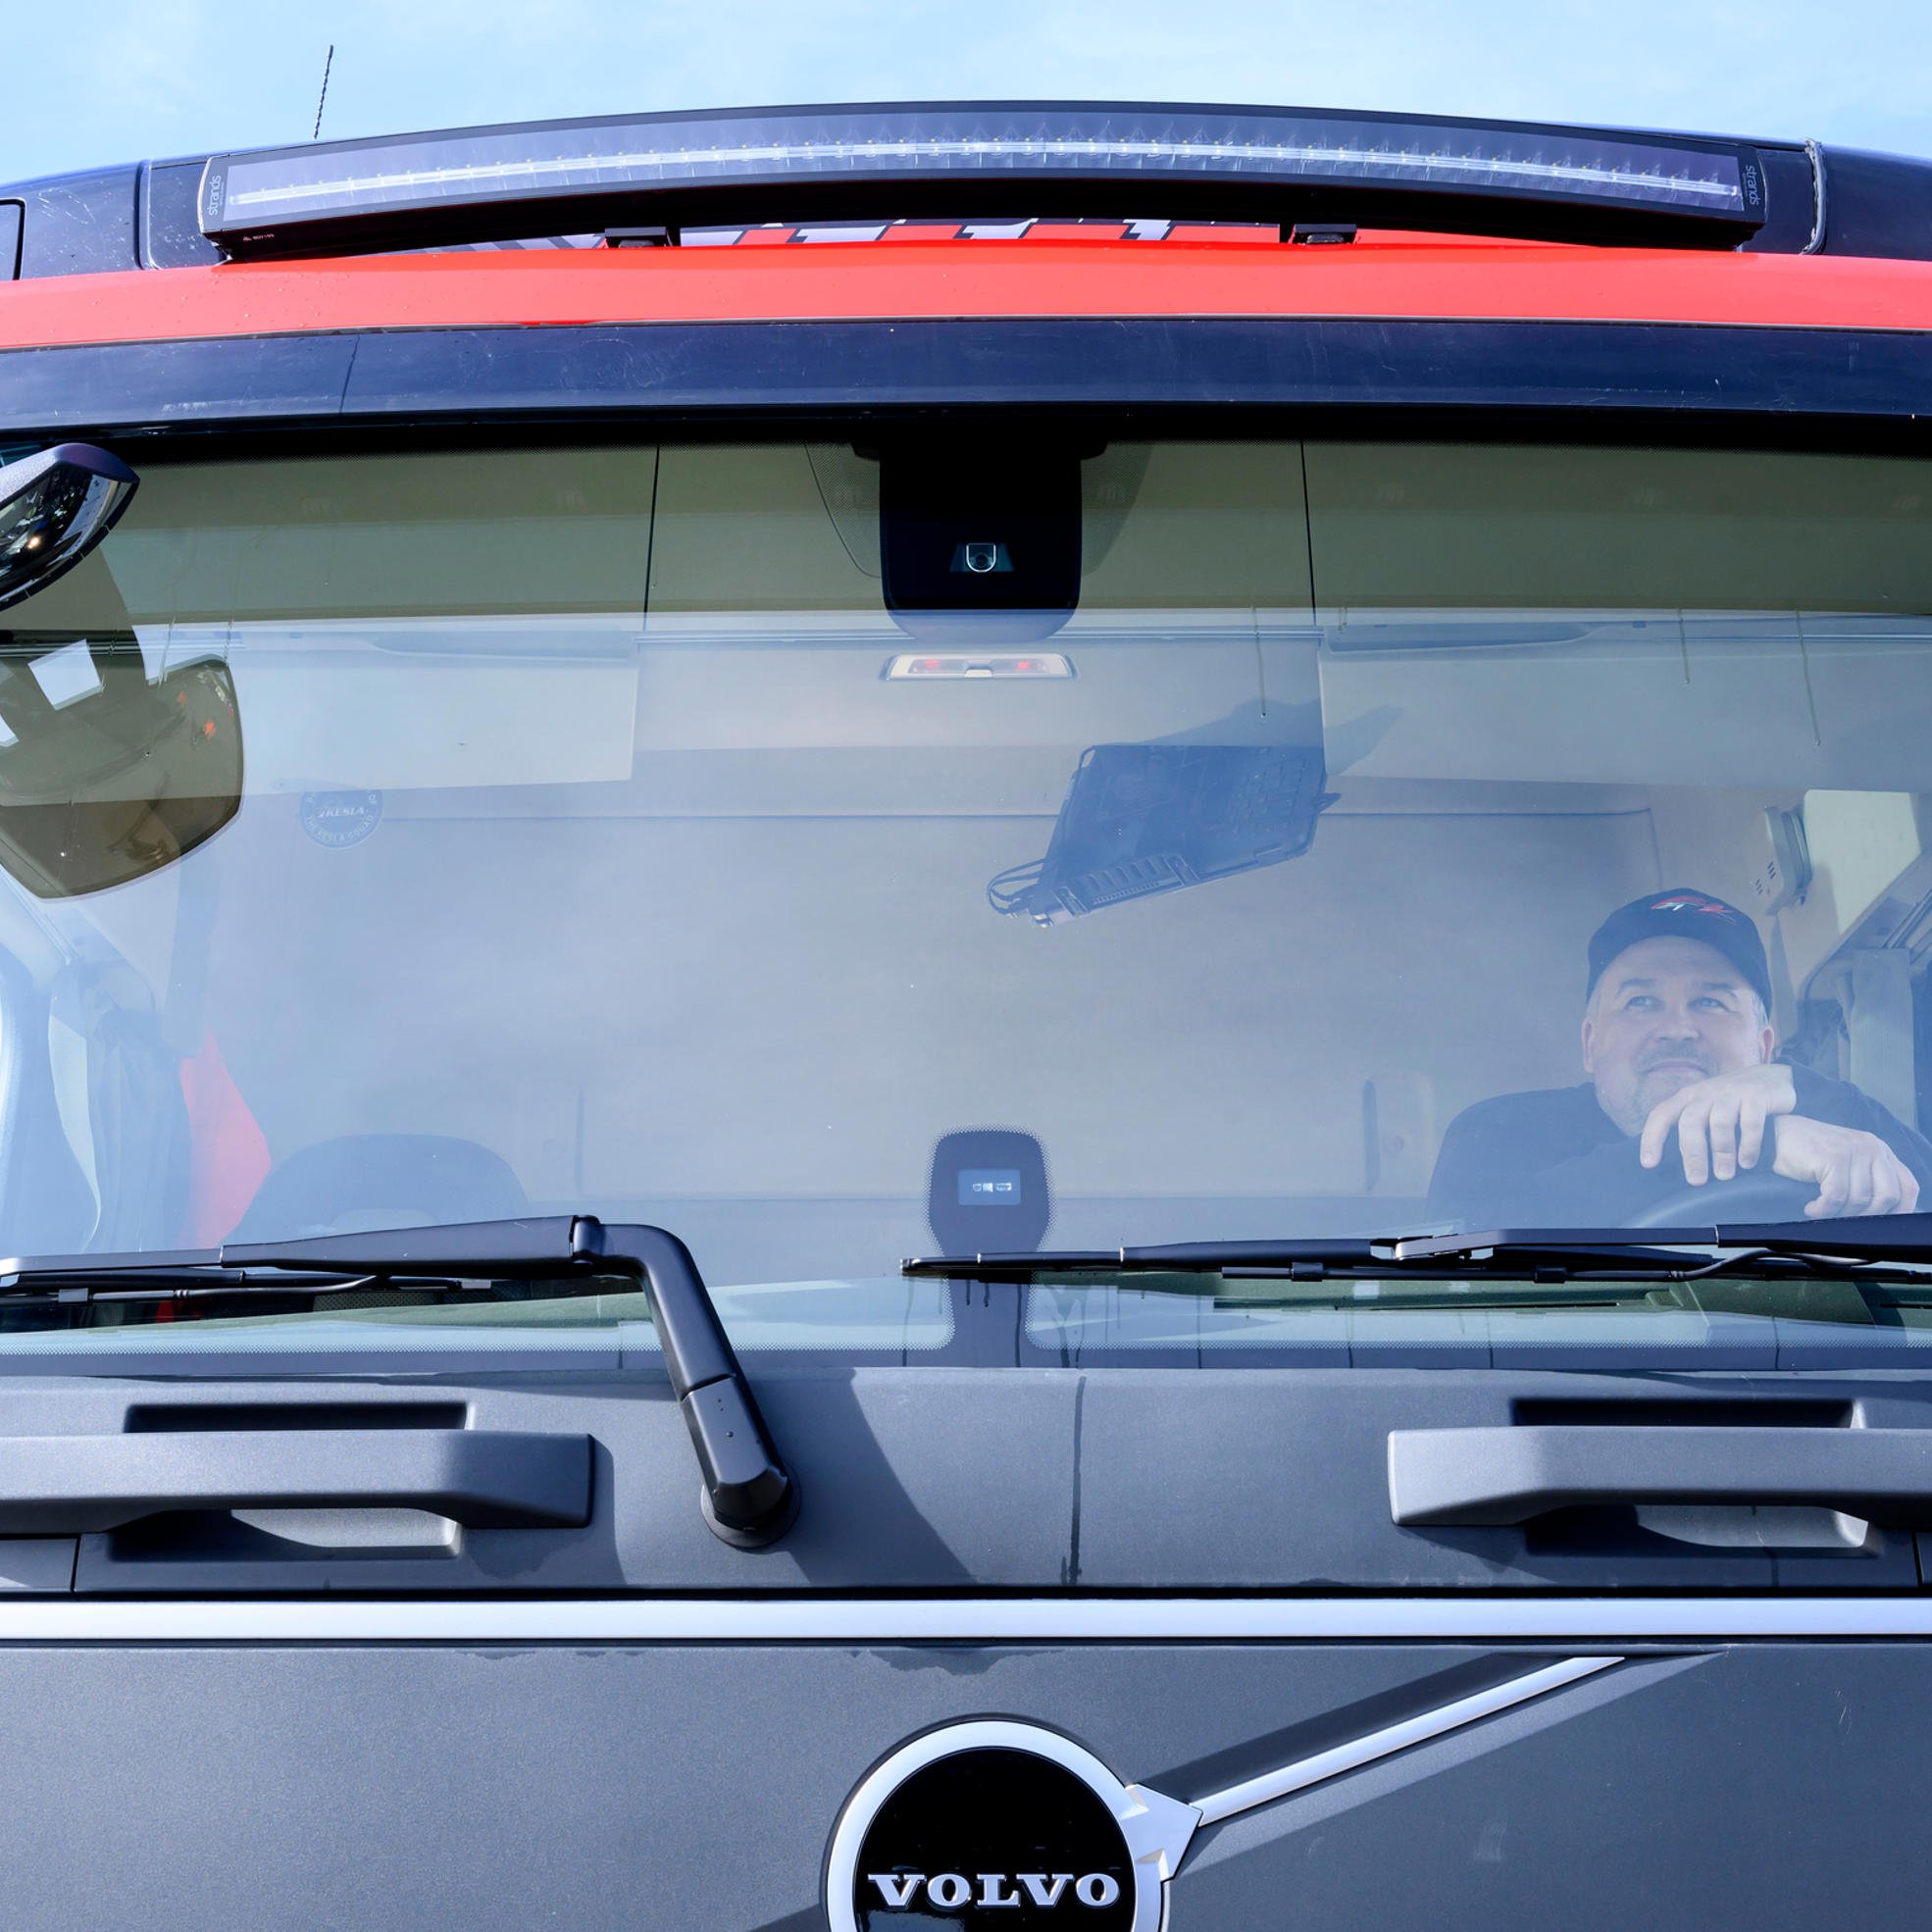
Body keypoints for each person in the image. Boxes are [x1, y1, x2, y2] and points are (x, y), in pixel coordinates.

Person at [1426, 888, 1932, 1229]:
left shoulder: (1828, 1124)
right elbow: (1472, 1235)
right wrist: (1762, 1144)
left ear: (1763, 1047)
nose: (1677, 1029)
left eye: (1710, 1001)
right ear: (1590, 1043)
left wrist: (1800, 1087)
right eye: (1641, 1001)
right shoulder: (1501, 1131)